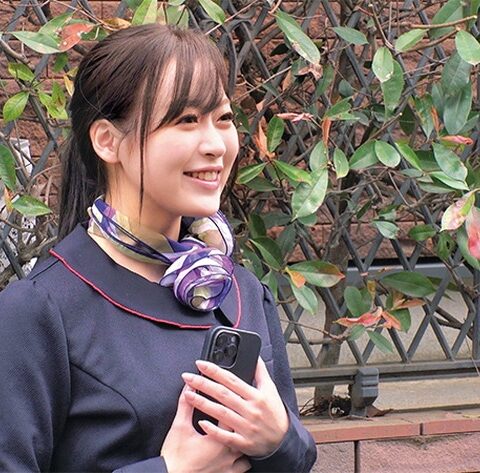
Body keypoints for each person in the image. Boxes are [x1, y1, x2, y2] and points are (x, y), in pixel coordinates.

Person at [0, 24, 316, 472]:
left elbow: (295, 458)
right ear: (107, 140)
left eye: (223, 119)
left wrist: (280, 441)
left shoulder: (240, 292)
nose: (215, 145)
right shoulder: (39, 311)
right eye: (186, 120)